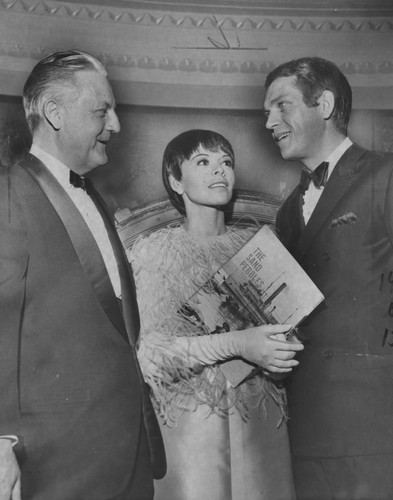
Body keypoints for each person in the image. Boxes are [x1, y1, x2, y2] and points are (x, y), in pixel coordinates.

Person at [0, 50, 165, 500]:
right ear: (54, 113)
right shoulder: (10, 196)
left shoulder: (91, 196)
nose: (116, 125)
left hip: (128, 457)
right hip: (59, 468)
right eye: (101, 111)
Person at [128, 129, 304, 500]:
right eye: (203, 162)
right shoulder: (154, 254)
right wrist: (238, 343)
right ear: (176, 181)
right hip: (191, 432)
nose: (219, 171)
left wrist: (277, 359)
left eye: (226, 162)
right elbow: (150, 358)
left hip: (261, 425)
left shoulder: (260, 247)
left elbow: (289, 342)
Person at [263, 56, 393, 500]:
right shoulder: (285, 212)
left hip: (376, 432)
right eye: (266, 111)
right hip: (307, 430)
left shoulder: (385, 176)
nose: (269, 121)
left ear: (324, 104)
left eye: (281, 106)